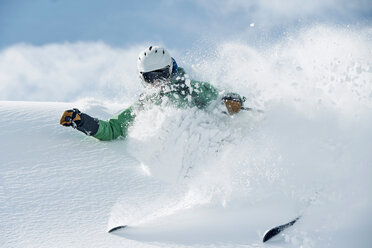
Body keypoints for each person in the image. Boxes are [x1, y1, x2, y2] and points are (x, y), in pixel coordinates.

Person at [60, 46, 245, 141]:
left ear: (171, 70)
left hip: (215, 140)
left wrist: (233, 102)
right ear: (142, 77)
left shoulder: (190, 88)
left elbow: (219, 99)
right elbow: (114, 129)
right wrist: (83, 122)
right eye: (150, 77)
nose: (157, 82)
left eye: (162, 75)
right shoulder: (146, 103)